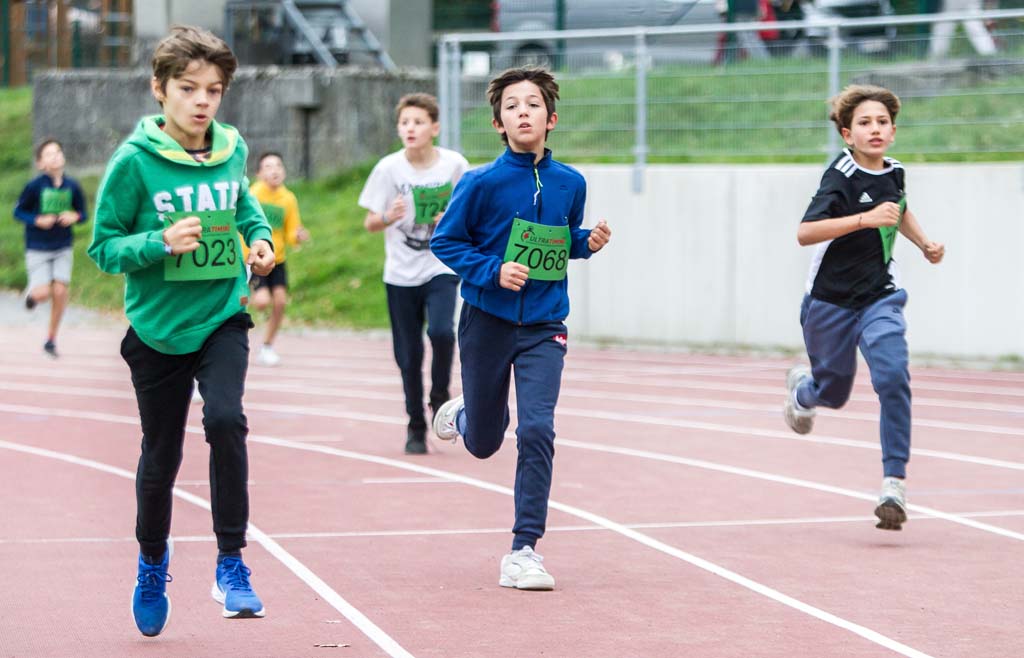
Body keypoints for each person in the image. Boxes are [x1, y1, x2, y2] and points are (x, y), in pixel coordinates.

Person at [88, 25, 275, 637]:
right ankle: (151, 563)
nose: (202, 101)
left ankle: (231, 562)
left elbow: (244, 206)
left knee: (226, 419)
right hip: (158, 329)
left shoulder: (231, 149)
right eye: (189, 88)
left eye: (213, 90)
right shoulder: (133, 163)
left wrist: (260, 239)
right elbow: (104, 248)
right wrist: (159, 241)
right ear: (159, 89)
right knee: (161, 455)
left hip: (222, 314)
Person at [430, 67, 611, 590]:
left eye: (533, 104)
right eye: (512, 106)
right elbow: (446, 242)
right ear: (498, 123)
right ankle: (467, 414)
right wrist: (494, 271)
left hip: (545, 326)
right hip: (487, 321)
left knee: (537, 430)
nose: (523, 112)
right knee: (485, 443)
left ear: (551, 119)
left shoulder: (571, 182)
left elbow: (560, 239)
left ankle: (524, 549)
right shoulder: (480, 183)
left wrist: (586, 242)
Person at [783, 84, 945, 532]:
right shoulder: (840, 175)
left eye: (882, 122)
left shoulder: (895, 171)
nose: (875, 129)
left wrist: (924, 243)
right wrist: (863, 219)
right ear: (847, 134)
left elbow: (900, 209)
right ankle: (803, 392)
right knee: (833, 393)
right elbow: (805, 232)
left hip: (880, 296)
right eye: (864, 123)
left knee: (893, 376)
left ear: (893, 131)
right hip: (829, 302)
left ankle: (894, 483)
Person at [358, 92, 469, 455]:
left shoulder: (454, 165)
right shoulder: (388, 169)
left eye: (418, 122)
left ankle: (439, 396)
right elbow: (370, 223)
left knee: (441, 332)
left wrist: (450, 218)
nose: (410, 128)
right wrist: (388, 215)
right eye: (404, 122)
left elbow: (471, 212)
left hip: (440, 265)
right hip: (400, 273)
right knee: (408, 355)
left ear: (434, 128)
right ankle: (415, 424)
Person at [12, 138, 88, 357]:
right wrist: (37, 220)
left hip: (63, 246)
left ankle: (51, 339)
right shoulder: (34, 187)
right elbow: (18, 211)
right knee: (44, 294)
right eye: (49, 154)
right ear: (40, 163)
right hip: (37, 247)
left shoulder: (72, 186)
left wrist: (74, 216)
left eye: (58, 152)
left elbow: (83, 214)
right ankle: (32, 296)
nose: (55, 156)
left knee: (61, 291)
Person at [247, 151, 310, 366]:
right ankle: (241, 297)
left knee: (280, 302)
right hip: (255, 258)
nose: (274, 170)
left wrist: (298, 236)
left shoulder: (288, 199)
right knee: (262, 302)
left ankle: (267, 346)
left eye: (278, 166)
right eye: (268, 166)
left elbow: (291, 232)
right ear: (258, 173)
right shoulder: (253, 195)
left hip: (277, 259)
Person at [929, 0, 996, 58]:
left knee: (975, 28)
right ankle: (936, 58)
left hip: (969, 3)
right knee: (942, 29)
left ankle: (989, 56)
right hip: (951, 4)